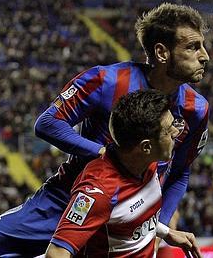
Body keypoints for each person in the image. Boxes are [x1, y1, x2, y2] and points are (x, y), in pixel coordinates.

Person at [0, 3, 210, 257]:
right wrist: (102, 152)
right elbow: (48, 123)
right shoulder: (107, 81)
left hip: (132, 213)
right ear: (162, 52)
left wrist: (160, 220)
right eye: (193, 47)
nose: (205, 55)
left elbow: (181, 171)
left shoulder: (197, 110)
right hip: (69, 198)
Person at [45, 90, 201, 257]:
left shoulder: (148, 161)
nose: (176, 133)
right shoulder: (98, 191)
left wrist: (165, 232)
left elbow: (127, 217)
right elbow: (56, 253)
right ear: (146, 146)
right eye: (169, 131)